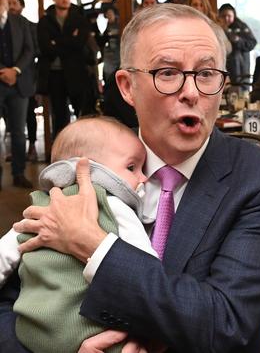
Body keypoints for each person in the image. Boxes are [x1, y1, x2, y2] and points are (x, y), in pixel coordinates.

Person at [1, 3, 260, 353]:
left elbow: (223, 322)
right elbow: (12, 299)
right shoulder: (88, 161)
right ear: (128, 86)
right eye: (168, 73)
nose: (191, 92)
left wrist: (92, 244)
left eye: (206, 74)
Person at [0, 116, 157, 353]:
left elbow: (5, 253)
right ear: (91, 168)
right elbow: (145, 270)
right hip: (86, 333)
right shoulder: (114, 206)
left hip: (29, 331)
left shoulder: (42, 204)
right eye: (132, 167)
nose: (143, 178)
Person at [37, 0, 93, 138]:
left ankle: (85, 149)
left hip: (76, 73)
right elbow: (45, 47)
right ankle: (60, 154)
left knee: (82, 114)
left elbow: (79, 44)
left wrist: (56, 42)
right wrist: (69, 39)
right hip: (55, 75)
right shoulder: (45, 21)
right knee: (59, 117)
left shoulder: (79, 19)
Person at [0, 0, 35, 189]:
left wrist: (15, 70)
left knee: (18, 132)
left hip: (19, 83)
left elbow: (29, 49)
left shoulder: (20, 21)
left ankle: (19, 173)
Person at [7, 0, 39, 164]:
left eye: (15, 3)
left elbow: (33, 51)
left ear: (21, 6)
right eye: (9, 2)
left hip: (25, 79)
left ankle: (31, 147)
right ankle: (14, 153)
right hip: (4, 81)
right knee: (11, 123)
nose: (11, 6)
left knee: (28, 116)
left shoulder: (29, 25)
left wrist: (16, 69)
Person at [218, 3, 257, 85]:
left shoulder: (241, 27)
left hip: (240, 69)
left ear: (234, 15)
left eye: (229, 16)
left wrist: (235, 38)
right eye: (223, 16)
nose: (226, 18)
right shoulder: (216, 27)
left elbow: (252, 43)